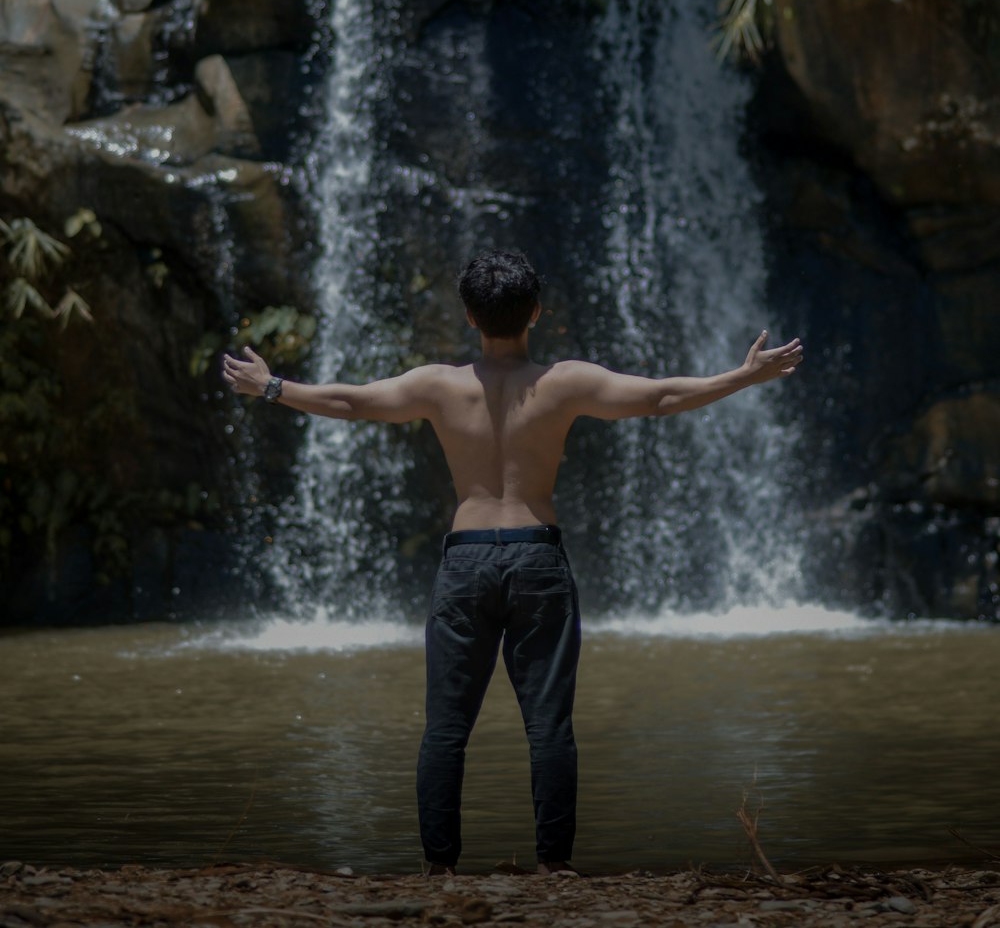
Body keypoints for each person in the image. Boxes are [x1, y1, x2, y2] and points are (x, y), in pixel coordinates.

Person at [223, 248, 803, 876]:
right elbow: (661, 398)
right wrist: (742, 376)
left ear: (470, 316)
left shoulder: (437, 385)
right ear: (537, 313)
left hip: (466, 562)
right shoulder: (565, 382)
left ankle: (439, 870)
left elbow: (351, 403)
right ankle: (555, 867)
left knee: (446, 728)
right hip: (537, 557)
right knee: (549, 725)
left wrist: (272, 386)